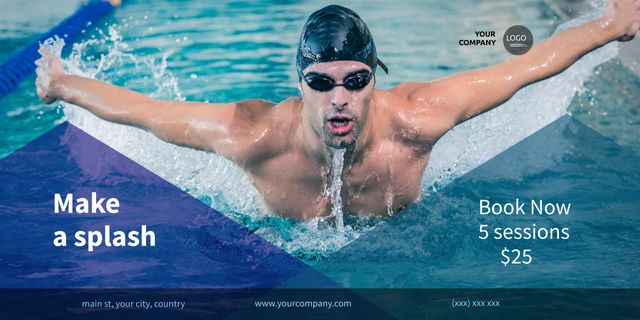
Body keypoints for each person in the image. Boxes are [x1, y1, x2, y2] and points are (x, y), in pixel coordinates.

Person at [35, 2, 640, 219]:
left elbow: (526, 66)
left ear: (374, 78)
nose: (339, 97)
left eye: (354, 79)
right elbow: (140, 110)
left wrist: (612, 23)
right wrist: (62, 84)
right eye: (321, 83)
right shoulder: (252, 136)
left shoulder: (419, 116)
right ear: (299, 84)